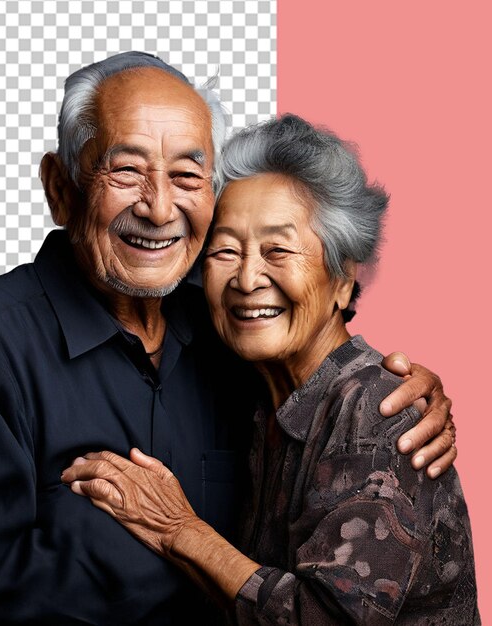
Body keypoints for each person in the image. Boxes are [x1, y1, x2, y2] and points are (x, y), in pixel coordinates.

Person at [0, 53, 455, 625]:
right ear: (61, 188)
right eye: (126, 170)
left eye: (187, 176)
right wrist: (184, 552)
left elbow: (327, 382)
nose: (159, 208)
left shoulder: (230, 335)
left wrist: (401, 395)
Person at [62, 114, 478, 624]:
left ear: (343, 279)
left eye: (278, 249)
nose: (247, 278)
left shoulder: (380, 412)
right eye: (225, 251)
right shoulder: (259, 392)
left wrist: (178, 530)